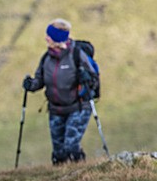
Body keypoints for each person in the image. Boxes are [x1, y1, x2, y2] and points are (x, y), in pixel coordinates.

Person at [22, 19, 99, 164]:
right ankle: (60, 179)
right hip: (56, 110)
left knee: (70, 146)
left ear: (57, 38)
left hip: (79, 108)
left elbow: (93, 79)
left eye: (49, 35)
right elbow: (40, 80)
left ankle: (80, 171)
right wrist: (30, 85)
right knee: (59, 153)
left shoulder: (76, 55)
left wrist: (86, 79)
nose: (46, 38)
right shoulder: (46, 58)